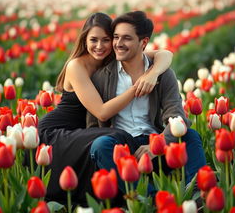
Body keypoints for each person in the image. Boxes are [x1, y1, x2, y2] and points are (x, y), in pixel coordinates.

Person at [37, 12, 173, 206]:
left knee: (109, 140)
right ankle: (149, 199)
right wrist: (137, 86)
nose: (99, 46)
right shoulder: (77, 65)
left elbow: (165, 54)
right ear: (85, 40)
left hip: (82, 132)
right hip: (58, 133)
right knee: (115, 137)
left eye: (106, 40)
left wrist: (154, 73)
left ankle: (140, 194)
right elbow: (101, 112)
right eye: (93, 40)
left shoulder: (113, 60)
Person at [87, 11, 206, 195]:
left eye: (126, 38)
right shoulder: (102, 77)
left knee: (190, 135)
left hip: (156, 143)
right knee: (100, 145)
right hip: (123, 147)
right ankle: (151, 199)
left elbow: (176, 116)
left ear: (143, 42)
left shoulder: (162, 74)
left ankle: (197, 193)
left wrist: (158, 143)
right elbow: (94, 125)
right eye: (116, 37)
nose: (118, 44)